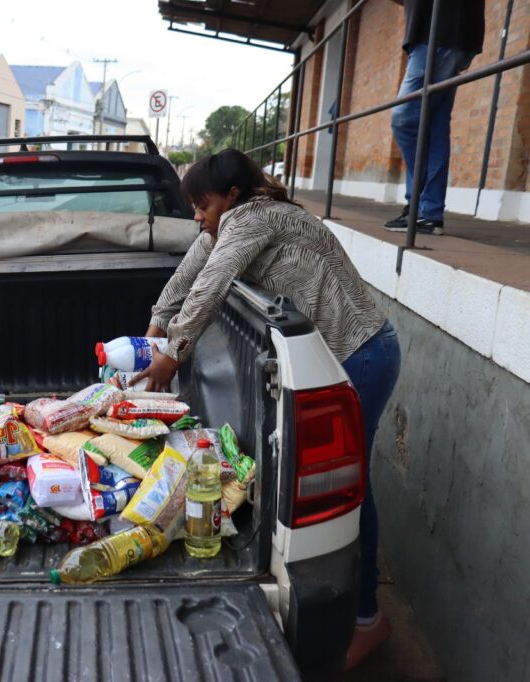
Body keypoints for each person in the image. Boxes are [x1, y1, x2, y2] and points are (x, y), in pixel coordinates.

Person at [135, 150, 401, 670]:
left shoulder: (256, 217)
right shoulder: (229, 221)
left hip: (362, 352)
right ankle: (366, 613)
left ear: (231, 196)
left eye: (201, 205)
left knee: (351, 492)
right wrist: (156, 322)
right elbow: (194, 267)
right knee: (349, 488)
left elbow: (214, 282)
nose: (197, 216)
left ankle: (369, 620)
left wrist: (172, 353)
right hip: (347, 351)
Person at [383, 0, 484, 235]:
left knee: (404, 117)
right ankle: (429, 214)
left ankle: (421, 204)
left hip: (439, 31)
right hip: (447, 33)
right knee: (435, 125)